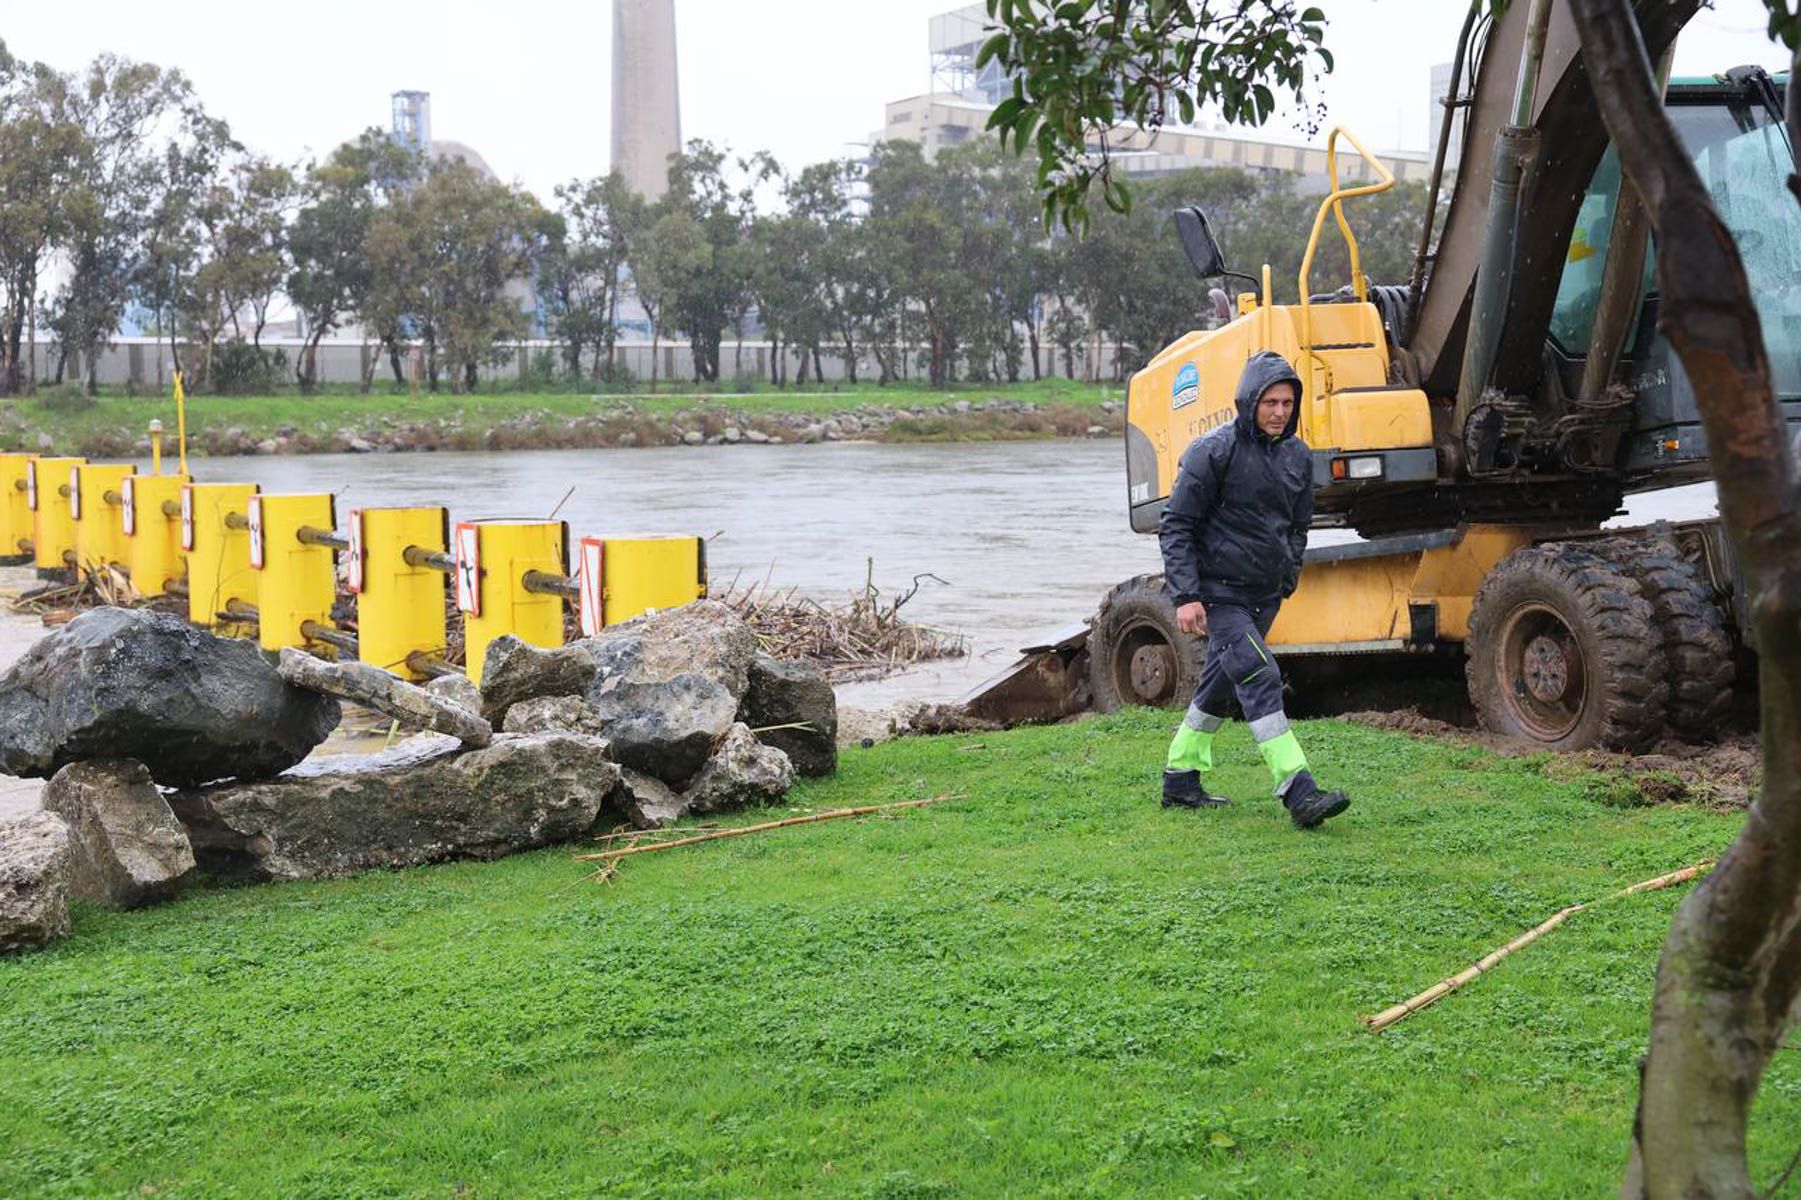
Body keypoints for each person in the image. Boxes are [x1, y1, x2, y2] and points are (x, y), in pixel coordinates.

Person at [1157, 350, 1350, 830]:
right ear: (1249, 401)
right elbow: (1176, 525)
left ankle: (1180, 779)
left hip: (1266, 594)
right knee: (1260, 675)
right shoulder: (1213, 451)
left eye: (1287, 403)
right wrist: (1186, 595)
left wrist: (1289, 576)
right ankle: (1299, 790)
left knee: (1221, 685)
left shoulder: (1298, 456)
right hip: (1218, 594)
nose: (1280, 412)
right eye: (1270, 402)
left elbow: (1300, 525)